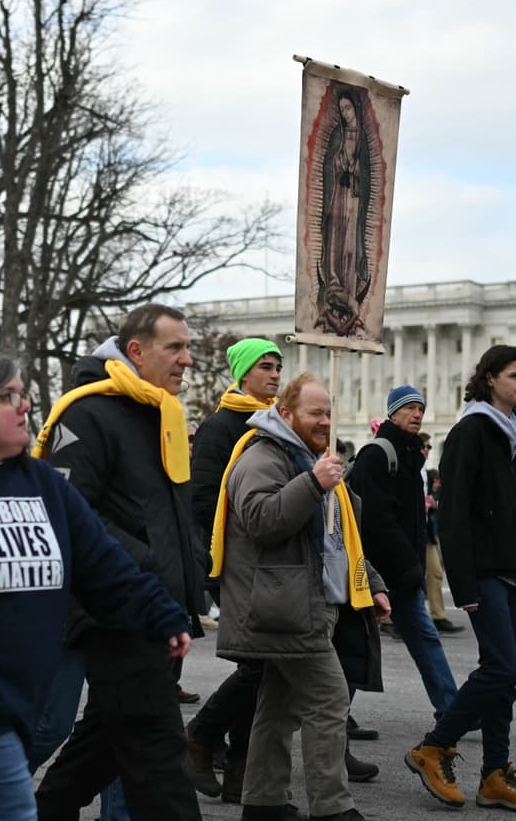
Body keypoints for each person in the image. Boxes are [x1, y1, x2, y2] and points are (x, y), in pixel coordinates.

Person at [0, 351, 192, 821]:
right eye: (7, 396)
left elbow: (102, 563)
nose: (24, 405)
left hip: (10, 698)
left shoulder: (41, 482)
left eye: (22, 394)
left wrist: (159, 614)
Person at [32, 303, 204, 821]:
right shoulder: (86, 412)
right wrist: (143, 571)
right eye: (175, 348)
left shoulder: (159, 412)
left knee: (103, 741)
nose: (187, 359)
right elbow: (69, 513)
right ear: (136, 351)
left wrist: (187, 577)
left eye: (187, 348)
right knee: (159, 752)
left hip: (158, 608)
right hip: (116, 610)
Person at [212, 373, 389, 821]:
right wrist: (312, 483)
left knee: (278, 705)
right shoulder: (263, 457)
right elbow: (261, 520)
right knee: (329, 700)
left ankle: (263, 802)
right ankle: (332, 808)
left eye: (329, 413)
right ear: (286, 413)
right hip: (285, 606)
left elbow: (336, 539)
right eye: (315, 413)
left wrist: (372, 583)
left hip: (302, 603)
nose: (325, 421)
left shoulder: (310, 459)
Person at [407, 345, 516, 814]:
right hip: (487, 573)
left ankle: (494, 775)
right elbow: (454, 516)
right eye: (515, 376)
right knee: (501, 669)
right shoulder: (470, 431)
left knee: (506, 677)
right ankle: (434, 746)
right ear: (490, 379)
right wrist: (464, 587)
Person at [184, 337, 283, 803]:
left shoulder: (276, 422)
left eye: (278, 367)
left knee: (262, 667)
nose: (275, 375)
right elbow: (203, 499)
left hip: (271, 560)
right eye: (266, 366)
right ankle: (200, 736)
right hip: (234, 562)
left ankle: (242, 776)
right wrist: (224, 556)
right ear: (243, 373)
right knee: (260, 665)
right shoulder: (220, 426)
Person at [351, 385, 459, 725]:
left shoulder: (411, 455)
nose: (417, 414)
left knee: (424, 639)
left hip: (403, 572)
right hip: (376, 572)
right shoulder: (377, 454)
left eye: (420, 409)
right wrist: (407, 563)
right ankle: (335, 714)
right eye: (410, 408)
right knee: (357, 644)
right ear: (392, 412)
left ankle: (452, 711)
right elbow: (376, 520)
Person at [316, 86, 373, 337]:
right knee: (335, 240)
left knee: (350, 243)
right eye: (342, 110)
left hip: (355, 199)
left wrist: (357, 167)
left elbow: (368, 172)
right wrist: (340, 163)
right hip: (338, 194)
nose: (345, 113)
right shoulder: (337, 136)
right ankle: (334, 282)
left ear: (355, 109)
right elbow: (329, 165)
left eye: (348, 108)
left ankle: (349, 283)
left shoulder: (362, 140)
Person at [421, 433, 463, 636]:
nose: (427, 450)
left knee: (436, 572)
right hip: (411, 531)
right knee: (405, 577)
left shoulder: (423, 472)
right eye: (424, 446)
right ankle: (391, 620)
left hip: (425, 532)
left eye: (429, 447)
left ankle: (438, 616)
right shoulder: (413, 469)